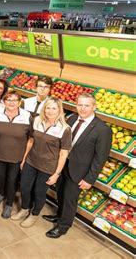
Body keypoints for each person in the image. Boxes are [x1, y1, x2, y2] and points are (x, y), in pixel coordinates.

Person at [43, 93, 111, 238]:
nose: (83, 108)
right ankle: (59, 216)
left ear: (94, 106)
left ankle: (63, 226)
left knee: (70, 199)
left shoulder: (102, 130)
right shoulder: (72, 118)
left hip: (79, 172)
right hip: (63, 166)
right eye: (80, 105)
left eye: (87, 105)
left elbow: (100, 158)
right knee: (60, 192)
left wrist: (90, 179)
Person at [12, 97, 70, 227]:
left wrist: (56, 174)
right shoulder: (37, 120)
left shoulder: (65, 129)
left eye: (54, 108)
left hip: (47, 166)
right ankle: (24, 209)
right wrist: (24, 159)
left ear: (59, 110)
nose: (50, 111)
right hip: (31, 161)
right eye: (48, 108)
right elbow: (31, 141)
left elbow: (63, 153)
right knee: (25, 187)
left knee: (39, 192)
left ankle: (34, 214)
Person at [0, 91, 33, 219]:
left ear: (19, 102)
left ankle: (8, 204)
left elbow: (31, 138)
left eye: (14, 100)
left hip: (16, 156)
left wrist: (24, 157)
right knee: (1, 176)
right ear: (4, 102)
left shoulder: (26, 116)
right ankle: (1, 193)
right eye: (8, 100)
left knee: (12, 180)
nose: (11, 102)